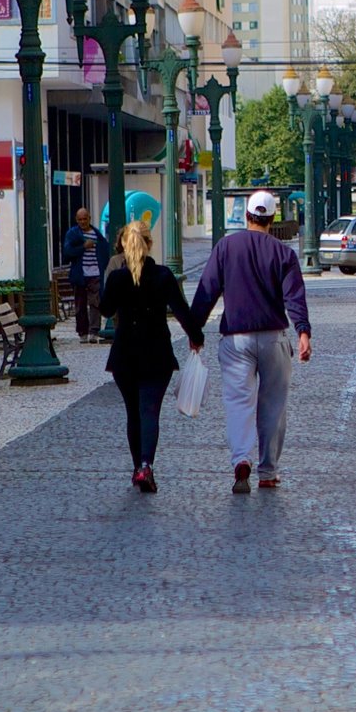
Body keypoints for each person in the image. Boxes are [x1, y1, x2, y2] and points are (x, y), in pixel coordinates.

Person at [188, 190, 312, 494]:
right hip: (273, 338)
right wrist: (303, 332)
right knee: (273, 406)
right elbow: (294, 296)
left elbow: (207, 290)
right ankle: (268, 471)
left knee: (238, 402)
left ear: (247, 216)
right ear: (272, 219)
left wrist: (195, 331)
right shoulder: (284, 253)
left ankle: (241, 459)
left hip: (235, 340)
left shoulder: (226, 247)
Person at [100, 218, 202, 493]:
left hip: (124, 356)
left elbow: (105, 310)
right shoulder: (162, 276)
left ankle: (137, 468)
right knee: (150, 411)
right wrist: (196, 337)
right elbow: (181, 310)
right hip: (157, 353)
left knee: (133, 413)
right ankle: (146, 465)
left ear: (123, 244)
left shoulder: (117, 277)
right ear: (150, 243)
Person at [61, 208, 107, 341]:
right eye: (80, 219)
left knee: (95, 302)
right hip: (79, 274)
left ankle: (94, 331)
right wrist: (83, 247)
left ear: (89, 218)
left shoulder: (96, 234)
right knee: (80, 304)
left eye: (85, 219)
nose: (82, 222)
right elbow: (67, 252)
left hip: (95, 273)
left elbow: (104, 249)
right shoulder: (72, 234)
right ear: (76, 220)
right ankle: (82, 332)